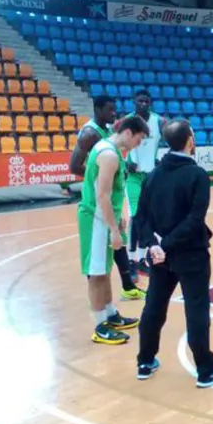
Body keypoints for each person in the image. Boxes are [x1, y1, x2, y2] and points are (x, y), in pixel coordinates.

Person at [134, 119, 213, 388]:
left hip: (160, 257)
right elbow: (194, 219)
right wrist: (165, 245)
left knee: (154, 307)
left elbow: (140, 217)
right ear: (190, 140)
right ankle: (206, 369)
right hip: (190, 254)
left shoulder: (152, 175)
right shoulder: (197, 175)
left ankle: (145, 361)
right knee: (197, 310)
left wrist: (154, 245)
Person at [76, 115, 149, 345]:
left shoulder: (112, 150)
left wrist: (116, 220)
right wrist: (114, 230)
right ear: (128, 132)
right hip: (95, 219)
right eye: (139, 139)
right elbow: (102, 196)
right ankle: (100, 326)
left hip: (103, 218)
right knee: (96, 273)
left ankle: (109, 314)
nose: (139, 144)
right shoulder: (108, 155)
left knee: (104, 269)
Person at [70, 95, 146, 301]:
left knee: (116, 245)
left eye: (115, 109)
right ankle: (102, 313)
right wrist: (102, 176)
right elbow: (75, 166)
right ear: (97, 109)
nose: (113, 114)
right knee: (97, 267)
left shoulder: (111, 134)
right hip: (96, 206)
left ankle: (125, 288)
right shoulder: (90, 133)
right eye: (109, 110)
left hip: (110, 201)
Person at [114, 90, 167, 279]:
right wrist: (124, 160)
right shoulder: (125, 121)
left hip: (151, 176)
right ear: (133, 102)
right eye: (140, 101)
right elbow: (113, 140)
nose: (143, 104)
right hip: (134, 177)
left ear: (150, 103)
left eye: (146, 101)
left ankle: (143, 259)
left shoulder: (159, 122)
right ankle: (132, 259)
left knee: (150, 217)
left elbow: (174, 135)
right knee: (136, 216)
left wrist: (161, 158)